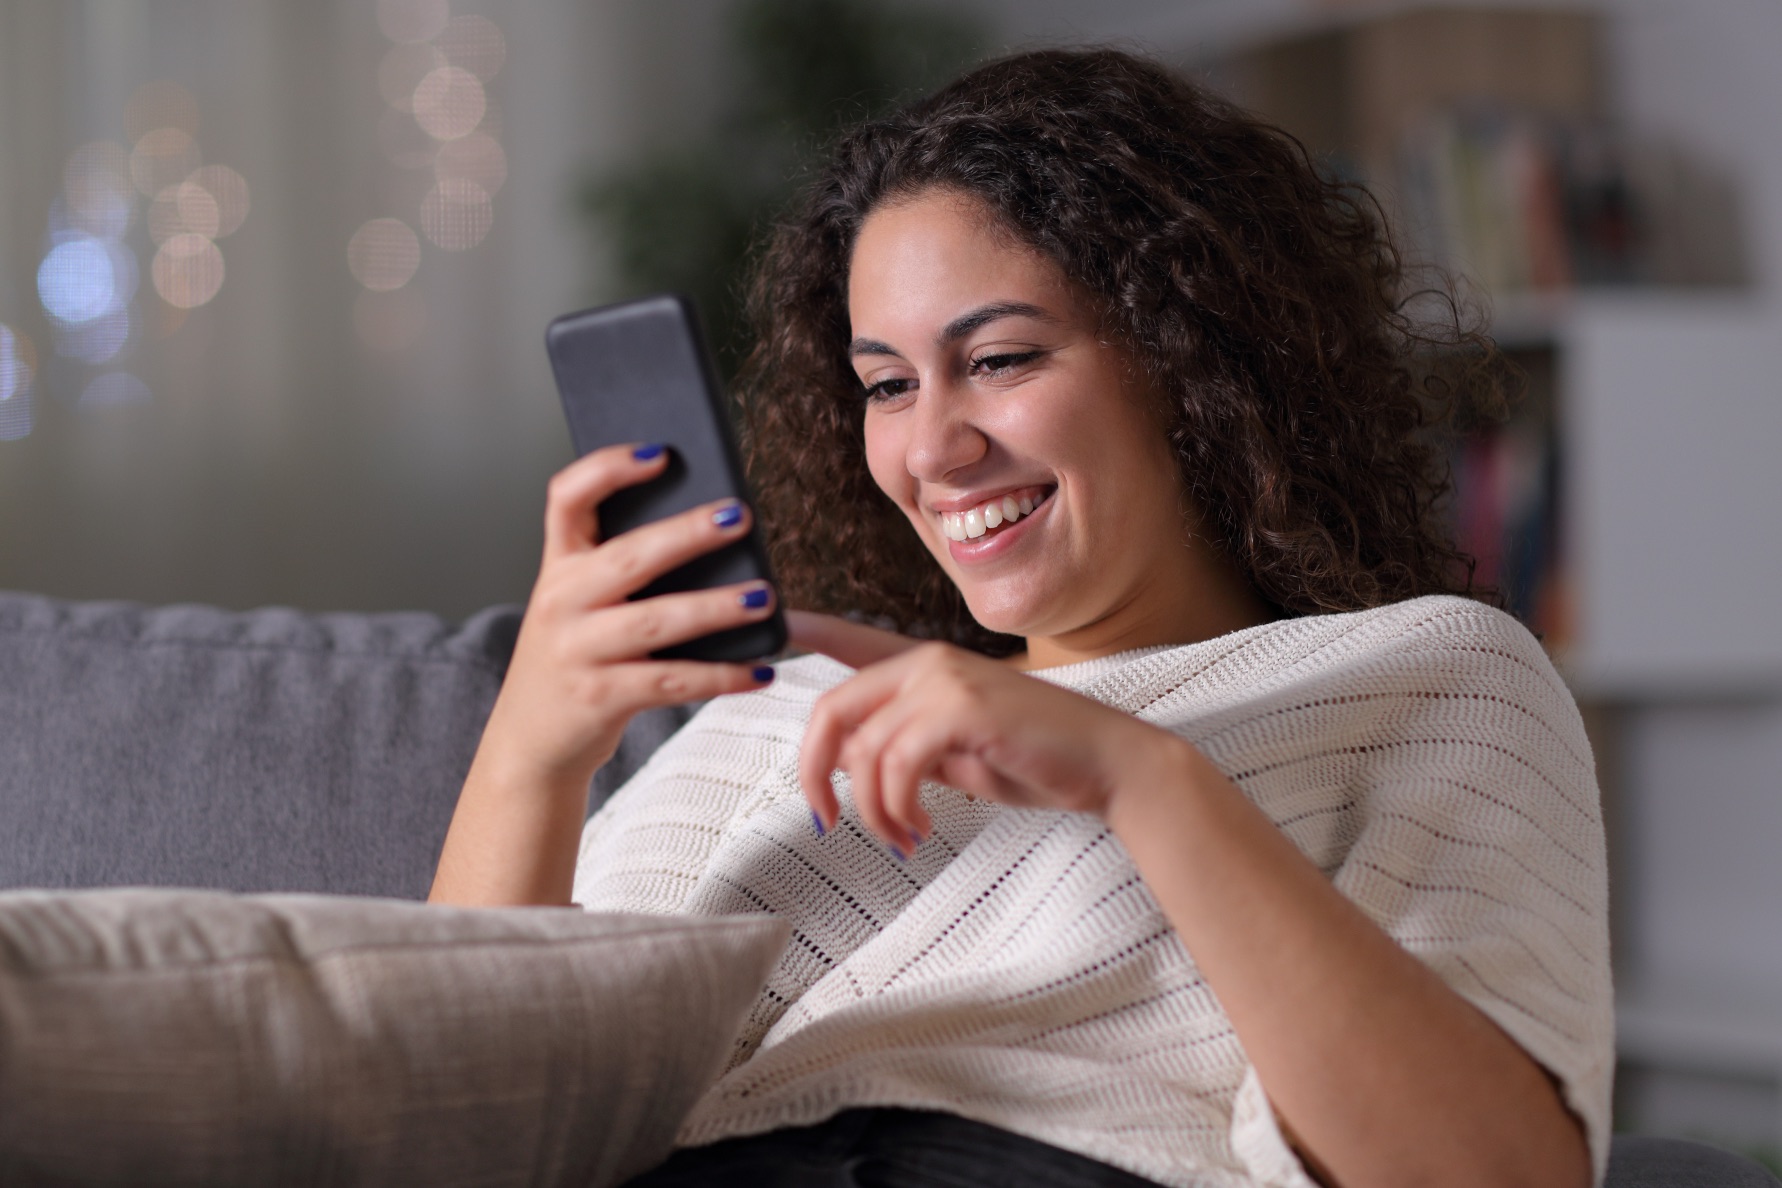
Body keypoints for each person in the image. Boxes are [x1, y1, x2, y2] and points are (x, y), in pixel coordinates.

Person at [430, 48, 1610, 1188]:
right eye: (887, 384)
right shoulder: (782, 711)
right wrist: (534, 758)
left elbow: (1493, 1175)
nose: (934, 450)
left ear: (1190, 355)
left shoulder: (1424, 678)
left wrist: (1140, 779)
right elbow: (462, 1124)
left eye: (997, 359)